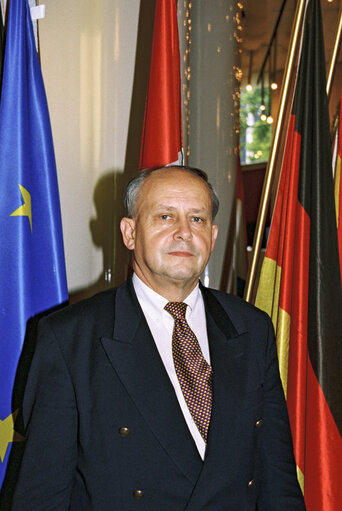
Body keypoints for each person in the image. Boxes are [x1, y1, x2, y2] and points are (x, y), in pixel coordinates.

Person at [11, 166, 305, 510]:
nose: (184, 233)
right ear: (130, 232)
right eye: (165, 216)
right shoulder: (70, 339)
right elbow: (42, 496)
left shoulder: (251, 328)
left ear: (212, 235)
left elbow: (277, 478)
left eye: (197, 219)